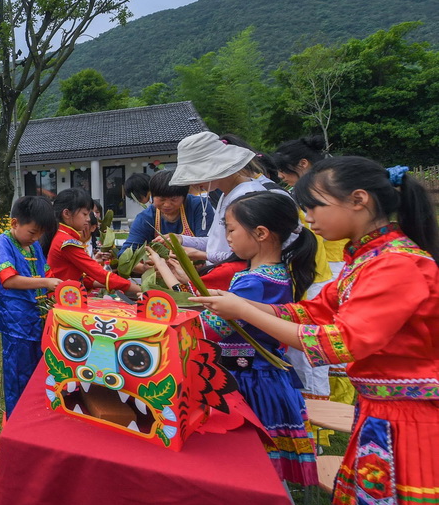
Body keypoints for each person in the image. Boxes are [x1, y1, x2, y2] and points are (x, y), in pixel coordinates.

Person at [191, 159, 439, 505]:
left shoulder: (397, 265)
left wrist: (242, 309)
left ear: (358, 201)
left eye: (315, 206)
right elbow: (312, 312)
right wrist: (246, 308)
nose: (308, 219)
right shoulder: (369, 259)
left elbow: (338, 342)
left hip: (410, 424)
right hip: (381, 416)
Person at [150, 191, 318, 486]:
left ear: (261, 233)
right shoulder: (273, 273)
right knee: (260, 469)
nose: (226, 237)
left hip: (247, 381)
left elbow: (208, 328)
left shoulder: (254, 281)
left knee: (250, 467)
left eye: (230, 229)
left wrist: (170, 288)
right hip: (260, 376)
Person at [271, 135, 350, 402]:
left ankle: (326, 409)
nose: (282, 176)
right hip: (319, 269)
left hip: (328, 267)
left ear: (303, 164)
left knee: (318, 341)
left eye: (285, 170)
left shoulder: (323, 189)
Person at [169, 131, 291, 275]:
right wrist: (182, 240)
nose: (193, 182)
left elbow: (248, 254)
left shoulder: (247, 197)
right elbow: (218, 243)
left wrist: (201, 254)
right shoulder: (227, 194)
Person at [0, 196, 61, 417]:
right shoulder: (3, 243)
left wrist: (61, 290)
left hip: (37, 318)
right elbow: (8, 279)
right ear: (14, 223)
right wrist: (46, 283)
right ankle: (17, 418)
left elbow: (47, 273)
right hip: (15, 321)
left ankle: (34, 414)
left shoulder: (34, 247)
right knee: (18, 371)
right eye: (32, 232)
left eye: (40, 233)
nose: (37, 238)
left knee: (38, 369)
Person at [47, 188, 140, 296]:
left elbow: (81, 278)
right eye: (85, 214)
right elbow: (99, 274)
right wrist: (139, 289)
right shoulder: (67, 242)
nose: (88, 219)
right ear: (67, 213)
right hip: (65, 298)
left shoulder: (62, 237)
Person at [118, 170, 214, 255]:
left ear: (184, 197)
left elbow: (212, 244)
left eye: (174, 199)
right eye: (161, 199)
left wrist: (181, 239)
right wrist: (145, 268)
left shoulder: (199, 206)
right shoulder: (146, 218)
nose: (167, 205)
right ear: (152, 196)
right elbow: (125, 254)